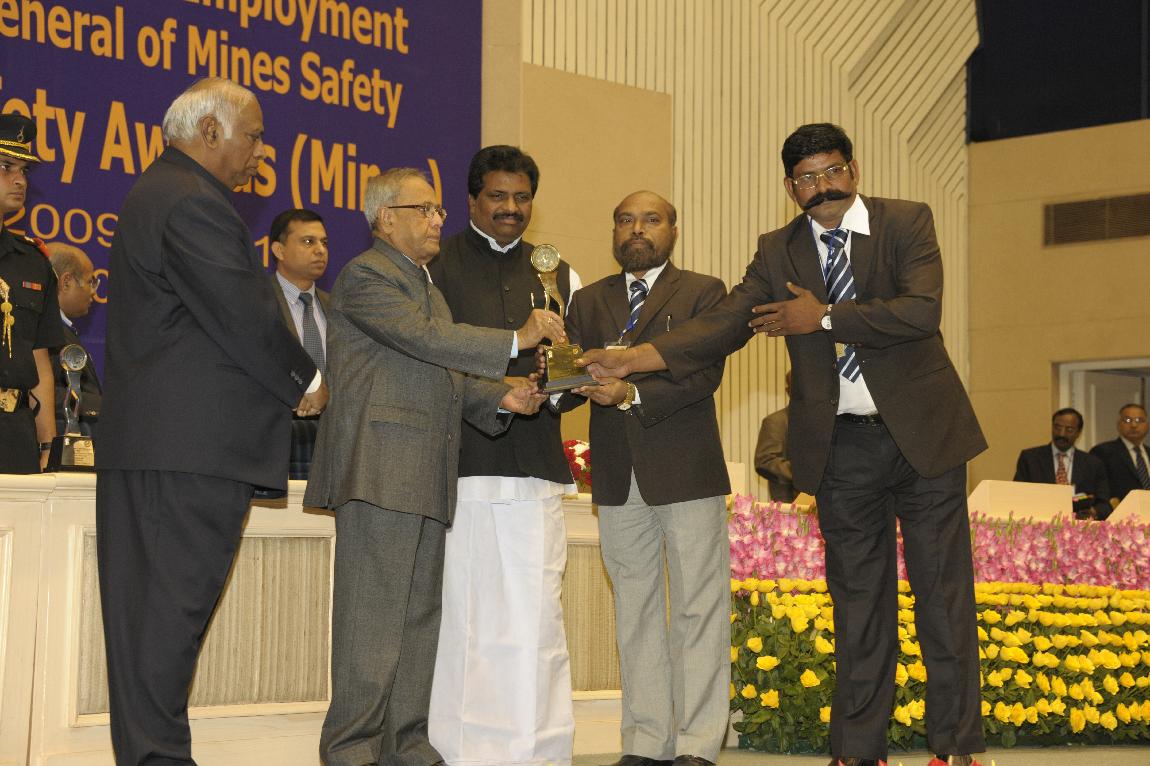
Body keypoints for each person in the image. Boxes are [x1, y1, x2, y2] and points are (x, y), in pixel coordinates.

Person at [580, 124, 987, 766]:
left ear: (853, 169)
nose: (821, 187)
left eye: (831, 171)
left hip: (926, 439)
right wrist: (638, 357)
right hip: (841, 447)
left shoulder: (906, 221)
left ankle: (956, 749)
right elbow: (723, 323)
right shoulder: (779, 251)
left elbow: (920, 311)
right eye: (806, 179)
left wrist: (823, 317)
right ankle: (859, 751)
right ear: (790, 188)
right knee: (858, 604)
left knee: (943, 596)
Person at [95, 78, 327, 766]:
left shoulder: (164, 192)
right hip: (186, 453)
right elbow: (241, 313)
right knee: (166, 625)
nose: (261, 151)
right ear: (209, 132)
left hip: (166, 450)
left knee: (154, 627)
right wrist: (306, 381)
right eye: (253, 136)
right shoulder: (193, 201)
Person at [303, 167, 566, 766]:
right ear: (384, 218)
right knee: (372, 619)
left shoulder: (426, 287)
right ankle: (350, 749)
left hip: (424, 470)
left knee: (418, 618)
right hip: (380, 470)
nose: (437, 220)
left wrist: (501, 397)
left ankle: (405, 744)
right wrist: (516, 337)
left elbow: (443, 370)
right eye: (423, 210)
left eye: (438, 210)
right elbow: (425, 340)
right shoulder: (367, 275)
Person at [557, 190, 730, 766]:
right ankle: (647, 742)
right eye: (625, 219)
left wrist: (630, 392)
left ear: (672, 231)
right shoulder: (587, 300)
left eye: (651, 220)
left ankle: (698, 744)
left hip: (687, 470)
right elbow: (571, 376)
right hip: (616, 472)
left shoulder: (703, 292)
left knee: (698, 607)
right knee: (635, 609)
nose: (637, 229)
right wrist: (551, 380)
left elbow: (703, 374)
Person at [426, 145, 578, 766]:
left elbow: (570, 375)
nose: (511, 208)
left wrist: (556, 387)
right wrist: (497, 391)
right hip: (460, 465)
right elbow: (432, 358)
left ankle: (536, 752)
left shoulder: (557, 272)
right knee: (464, 617)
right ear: (471, 200)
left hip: (534, 468)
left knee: (536, 618)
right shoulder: (435, 267)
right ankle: (457, 750)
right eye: (498, 196)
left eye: (521, 197)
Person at [0, 112, 62, 473]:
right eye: (6, 167)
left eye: (24, 170)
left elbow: (40, 363)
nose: (20, 180)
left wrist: (47, 445)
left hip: (15, 436)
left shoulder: (33, 263)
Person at [268, 208, 330, 479]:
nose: (320, 250)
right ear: (279, 250)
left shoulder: (338, 307)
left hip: (329, 438)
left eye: (324, 242)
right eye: (308, 241)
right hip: (274, 437)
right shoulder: (258, 301)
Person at [1014, 408, 1111, 519]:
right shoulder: (1030, 458)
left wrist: (1093, 512)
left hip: (1078, 524)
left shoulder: (1093, 464)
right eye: (1057, 427)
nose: (1061, 434)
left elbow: (1104, 504)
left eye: (1069, 429)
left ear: (1078, 433)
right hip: (1039, 520)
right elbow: (1017, 496)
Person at [46, 242, 101, 435]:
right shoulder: (47, 333)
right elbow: (43, 393)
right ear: (66, 282)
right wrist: (108, 404)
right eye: (90, 282)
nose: (93, 291)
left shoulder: (61, 330)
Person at [1090, 403, 1150, 506]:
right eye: (1127, 420)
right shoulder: (1103, 452)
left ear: (1147, 425)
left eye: (1139, 420)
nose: (1134, 425)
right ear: (1118, 425)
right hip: (1117, 512)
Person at [754, 369, 796, 502]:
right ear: (788, 391)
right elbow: (765, 461)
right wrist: (804, 475)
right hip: (789, 503)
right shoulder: (776, 421)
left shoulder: (824, 422)